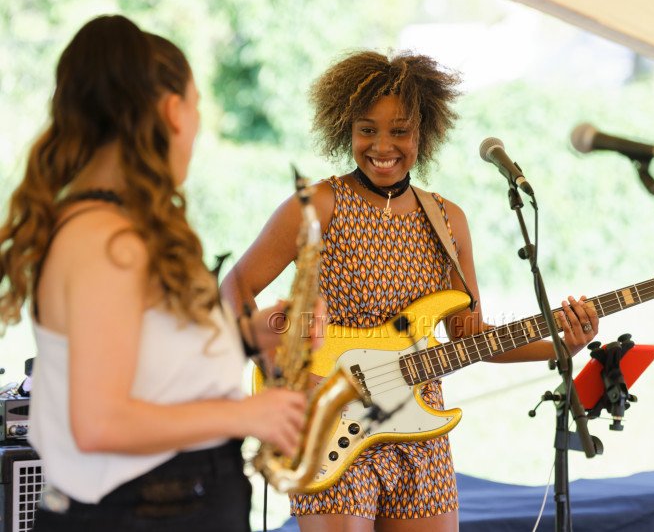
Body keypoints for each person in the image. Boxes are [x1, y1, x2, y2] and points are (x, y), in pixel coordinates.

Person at [220, 50, 599, 532]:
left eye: (399, 131)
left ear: (424, 132)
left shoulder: (447, 220)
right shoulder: (318, 205)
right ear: (346, 129)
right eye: (367, 129)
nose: (383, 145)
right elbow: (235, 288)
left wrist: (562, 345)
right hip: (331, 421)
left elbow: (468, 335)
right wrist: (280, 376)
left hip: (420, 428)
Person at [0, 15, 308, 532]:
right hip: (140, 513)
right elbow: (99, 423)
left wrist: (251, 336)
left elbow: (143, 360)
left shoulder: (120, 228)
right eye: (197, 107)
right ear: (172, 112)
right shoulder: (104, 241)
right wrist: (247, 416)